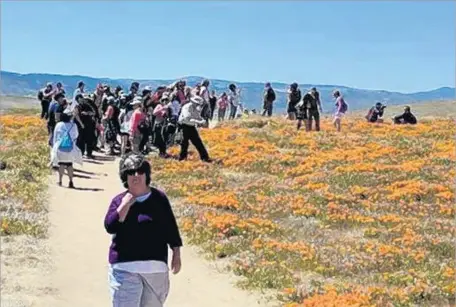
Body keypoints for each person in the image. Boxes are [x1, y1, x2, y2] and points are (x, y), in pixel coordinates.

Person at [104, 152, 183, 307]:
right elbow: (110, 226)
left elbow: (170, 227)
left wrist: (176, 253)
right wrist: (124, 206)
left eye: (140, 172)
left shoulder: (159, 198)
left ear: (147, 175)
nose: (136, 175)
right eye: (131, 172)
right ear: (124, 177)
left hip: (155, 268)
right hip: (125, 267)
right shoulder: (119, 200)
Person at [50, 111, 83, 188]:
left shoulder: (58, 125)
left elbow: (55, 136)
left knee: (61, 164)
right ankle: (71, 182)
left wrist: (55, 147)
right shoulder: (73, 125)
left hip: (60, 147)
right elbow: (76, 135)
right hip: (70, 148)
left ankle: (60, 181)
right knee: (69, 165)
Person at [178, 96, 212, 162]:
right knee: (184, 143)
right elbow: (187, 118)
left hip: (191, 126)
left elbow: (198, 116)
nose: (198, 105)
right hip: (184, 126)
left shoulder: (194, 108)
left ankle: (205, 158)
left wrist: (202, 120)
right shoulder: (187, 107)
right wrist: (199, 122)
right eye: (197, 104)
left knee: (198, 142)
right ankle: (182, 158)